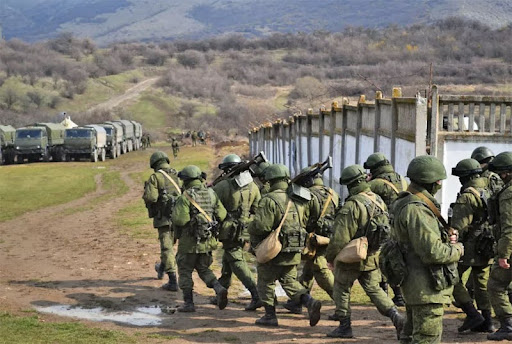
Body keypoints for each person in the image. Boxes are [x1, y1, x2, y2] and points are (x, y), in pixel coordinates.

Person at [390, 155, 463, 343]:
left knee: (409, 337)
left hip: (416, 286)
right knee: (425, 339)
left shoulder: (405, 202)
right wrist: (458, 249)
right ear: (434, 182)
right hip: (426, 288)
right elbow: (433, 252)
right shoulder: (417, 209)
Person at [325, 165, 404, 339]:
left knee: (341, 289)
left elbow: (339, 238)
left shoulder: (352, 205)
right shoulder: (377, 200)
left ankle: (345, 327)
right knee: (375, 290)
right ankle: (396, 317)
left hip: (352, 256)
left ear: (350, 185)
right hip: (371, 255)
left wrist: (330, 257)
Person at [248, 164, 322, 327]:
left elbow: (262, 226)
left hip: (274, 249)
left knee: (265, 281)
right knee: (289, 280)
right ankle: (309, 301)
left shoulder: (269, 200)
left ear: (270, 180)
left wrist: (249, 226)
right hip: (295, 248)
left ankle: (269, 315)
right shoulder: (298, 198)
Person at [283, 166, 339, 317]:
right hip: (326, 237)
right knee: (308, 270)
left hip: (313, 238)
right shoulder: (333, 194)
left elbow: (303, 218)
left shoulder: (309, 195)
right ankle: (297, 302)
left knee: (320, 270)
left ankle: (341, 303)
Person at [171, 165, 227, 312]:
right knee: (203, 268)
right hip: (207, 242)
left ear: (185, 180)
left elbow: (180, 220)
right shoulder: (211, 194)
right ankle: (218, 287)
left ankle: (189, 303)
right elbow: (222, 214)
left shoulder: (184, 197)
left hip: (189, 243)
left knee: (185, 271)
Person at [212, 154, 262, 311]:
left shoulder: (223, 186)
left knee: (236, 259)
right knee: (229, 257)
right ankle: (222, 290)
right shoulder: (253, 186)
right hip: (246, 229)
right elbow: (257, 209)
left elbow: (213, 206)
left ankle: (256, 294)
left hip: (229, 230)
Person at [450, 158, 494, 333]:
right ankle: (487, 321)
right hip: (487, 243)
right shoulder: (489, 189)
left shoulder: (468, 196)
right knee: (481, 283)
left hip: (469, 246)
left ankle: (472, 313)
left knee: (451, 277)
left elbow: (457, 226)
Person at [364, 152, 407, 307]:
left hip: (384, 226)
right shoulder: (401, 179)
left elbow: (362, 196)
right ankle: (399, 296)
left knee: (381, 258)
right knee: (395, 258)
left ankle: (383, 293)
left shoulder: (376, 184)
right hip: (400, 225)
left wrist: (365, 182)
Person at [142, 151, 181, 291]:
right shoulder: (177, 174)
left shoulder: (155, 177)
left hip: (164, 218)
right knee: (170, 246)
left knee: (167, 247)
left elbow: (151, 198)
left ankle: (172, 280)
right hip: (179, 217)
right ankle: (162, 267)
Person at [487, 152, 512, 340]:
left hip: (510, 248)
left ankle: (508, 324)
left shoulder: (508, 194)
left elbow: (509, 227)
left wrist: (503, 254)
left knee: (496, 285)